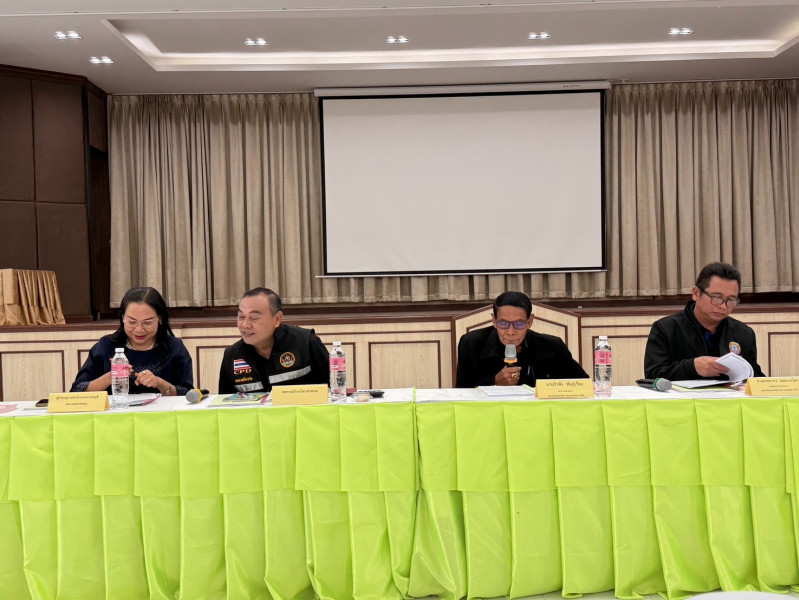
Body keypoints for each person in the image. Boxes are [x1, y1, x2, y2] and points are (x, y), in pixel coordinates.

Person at [644, 261, 765, 380]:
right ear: (696, 293)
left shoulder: (744, 333)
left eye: (731, 300)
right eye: (717, 298)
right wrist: (692, 367)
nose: (723, 306)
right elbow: (653, 375)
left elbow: (755, 376)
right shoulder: (666, 329)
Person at [71, 287, 193, 395]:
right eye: (132, 322)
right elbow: (76, 391)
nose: (139, 329)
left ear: (159, 319)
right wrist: (110, 377)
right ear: (123, 318)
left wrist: (160, 383)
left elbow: (188, 393)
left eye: (147, 322)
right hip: (115, 413)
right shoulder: (106, 347)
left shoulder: (174, 348)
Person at [455, 291, 588, 388]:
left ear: (530, 321)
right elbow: (462, 392)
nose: (511, 332)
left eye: (519, 324)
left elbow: (584, 384)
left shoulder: (553, 346)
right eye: (503, 324)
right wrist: (494, 382)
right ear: (494, 321)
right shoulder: (471, 344)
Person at [218, 287, 330, 394]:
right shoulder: (232, 355)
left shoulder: (306, 342)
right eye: (241, 317)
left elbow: (334, 390)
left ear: (277, 319)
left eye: (254, 318)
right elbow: (225, 402)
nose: (245, 325)